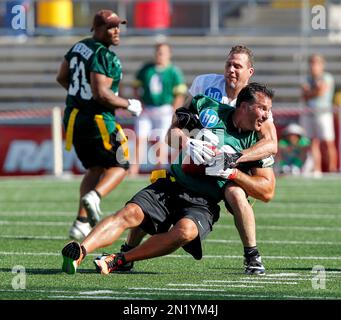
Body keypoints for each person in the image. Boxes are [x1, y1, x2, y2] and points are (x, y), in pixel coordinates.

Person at [61, 83, 276, 276]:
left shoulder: (256, 141)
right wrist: (187, 142)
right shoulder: (207, 107)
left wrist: (233, 172)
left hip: (203, 203)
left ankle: (120, 259)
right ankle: (80, 251)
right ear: (244, 106)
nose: (268, 115)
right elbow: (171, 134)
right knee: (129, 213)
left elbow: (266, 191)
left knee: (186, 231)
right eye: (263, 108)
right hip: (172, 184)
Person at [119, 45, 278, 273]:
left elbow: (270, 143)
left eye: (237, 66)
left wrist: (234, 159)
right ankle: (128, 249)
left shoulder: (256, 101)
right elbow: (182, 117)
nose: (231, 70)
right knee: (158, 192)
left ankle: (252, 255)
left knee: (236, 194)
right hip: (196, 155)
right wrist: (187, 136)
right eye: (228, 64)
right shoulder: (205, 84)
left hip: (228, 160)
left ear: (249, 72)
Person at [56, 10, 142, 241]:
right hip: (97, 121)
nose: (116, 31)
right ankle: (95, 196)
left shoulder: (78, 47)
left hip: (74, 117)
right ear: (98, 29)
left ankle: (81, 222)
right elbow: (101, 94)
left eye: (118, 26)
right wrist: (128, 104)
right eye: (111, 27)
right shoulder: (104, 55)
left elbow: (62, 77)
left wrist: (79, 96)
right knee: (121, 164)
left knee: (94, 168)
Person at [129, 42, 187, 175]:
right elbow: (136, 86)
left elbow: (179, 94)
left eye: (162, 52)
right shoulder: (146, 69)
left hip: (164, 110)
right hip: (147, 108)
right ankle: (134, 170)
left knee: (161, 140)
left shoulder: (173, 72)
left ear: (168, 54)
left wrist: (174, 110)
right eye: (158, 52)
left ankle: (160, 168)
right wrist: (140, 102)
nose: (159, 55)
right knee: (140, 138)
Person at [301, 53, 338, 175]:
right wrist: (314, 91)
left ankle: (332, 169)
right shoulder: (307, 78)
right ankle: (317, 170)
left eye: (316, 63)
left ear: (322, 65)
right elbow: (305, 96)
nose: (313, 66)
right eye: (311, 63)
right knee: (312, 142)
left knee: (328, 142)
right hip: (309, 113)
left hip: (323, 113)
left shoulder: (327, 77)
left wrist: (311, 92)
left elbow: (320, 92)